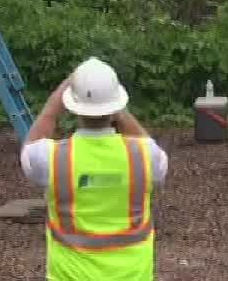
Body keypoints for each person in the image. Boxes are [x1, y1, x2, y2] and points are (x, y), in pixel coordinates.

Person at [21, 58, 168, 281]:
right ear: (116, 104)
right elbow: (150, 146)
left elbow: (29, 148)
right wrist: (118, 110)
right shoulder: (145, 156)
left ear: (72, 106)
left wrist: (55, 103)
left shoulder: (51, 158)